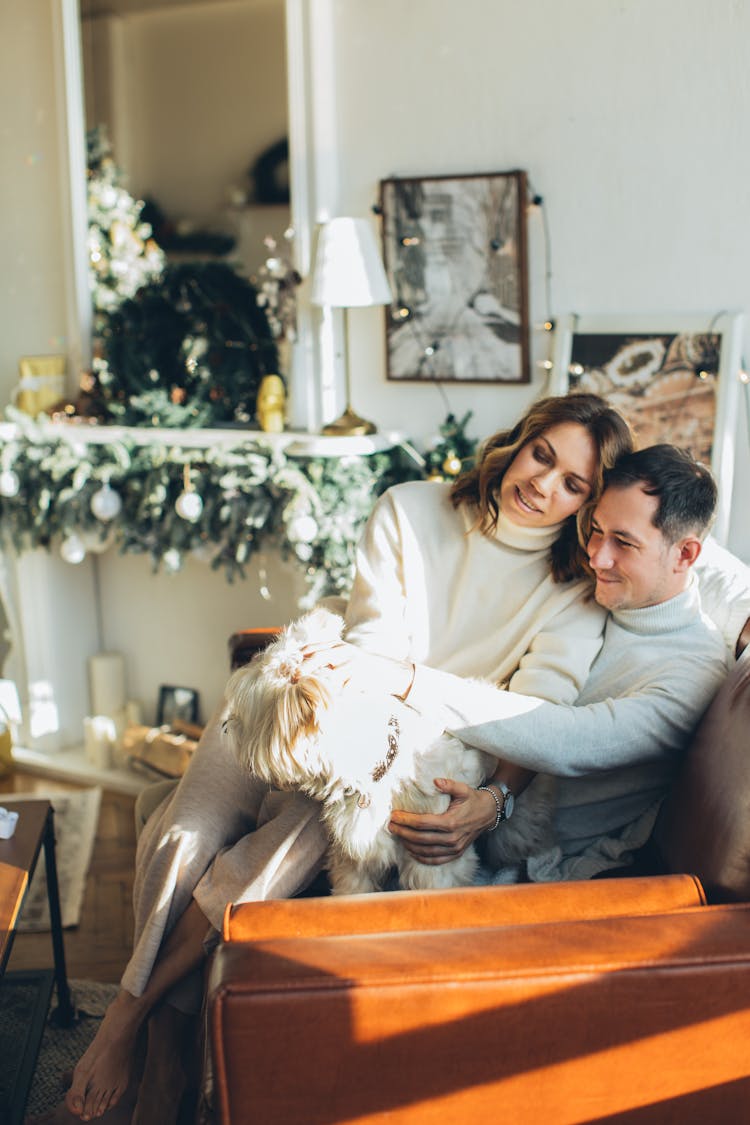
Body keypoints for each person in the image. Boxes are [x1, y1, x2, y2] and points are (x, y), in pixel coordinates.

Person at [48, 392, 634, 1123]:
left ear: (586, 503)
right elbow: (374, 657)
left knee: (283, 843)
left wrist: (496, 800)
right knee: (181, 831)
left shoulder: (571, 595)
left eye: (573, 482)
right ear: (518, 442)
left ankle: (144, 1045)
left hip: (393, 757)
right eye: (542, 454)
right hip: (308, 707)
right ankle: (147, 1027)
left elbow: (534, 718)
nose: (544, 483)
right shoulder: (410, 508)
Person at [384, 444, 735, 882]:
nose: (597, 556)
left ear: (685, 556)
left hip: (518, 869)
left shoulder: (692, 673)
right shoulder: (590, 588)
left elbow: (570, 741)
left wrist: (407, 683)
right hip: (430, 775)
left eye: (623, 543)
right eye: (597, 530)